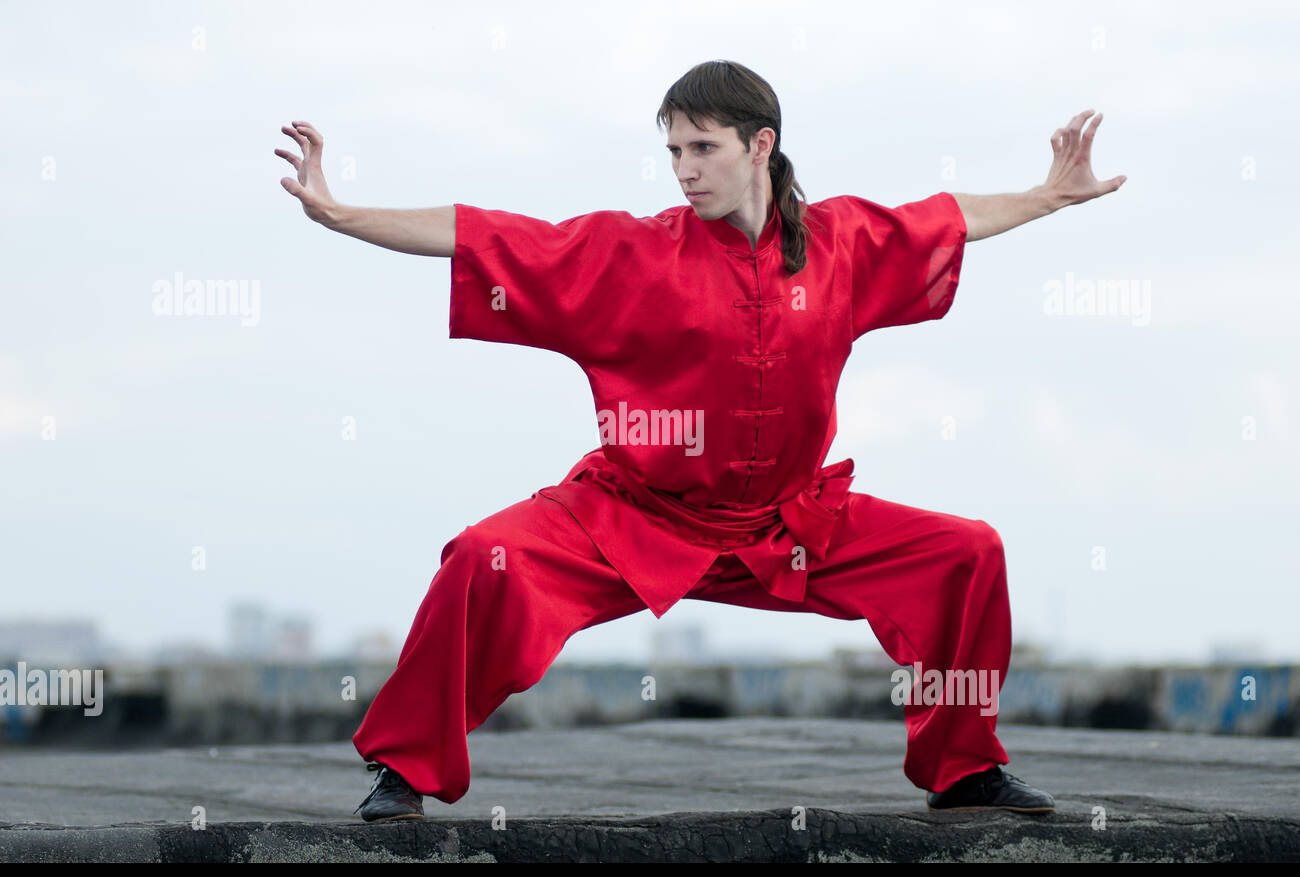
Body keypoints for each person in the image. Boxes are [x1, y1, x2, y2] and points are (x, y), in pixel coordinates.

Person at [275, 60, 1125, 823]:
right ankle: (401, 768)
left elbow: (947, 220)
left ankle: (962, 768)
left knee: (965, 553)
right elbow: (485, 233)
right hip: (634, 516)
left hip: (791, 525)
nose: (684, 169)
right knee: (482, 557)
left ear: (762, 146)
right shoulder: (630, 253)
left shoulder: (841, 245)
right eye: (673, 150)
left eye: (702, 148)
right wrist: (342, 212)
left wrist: (1048, 194)